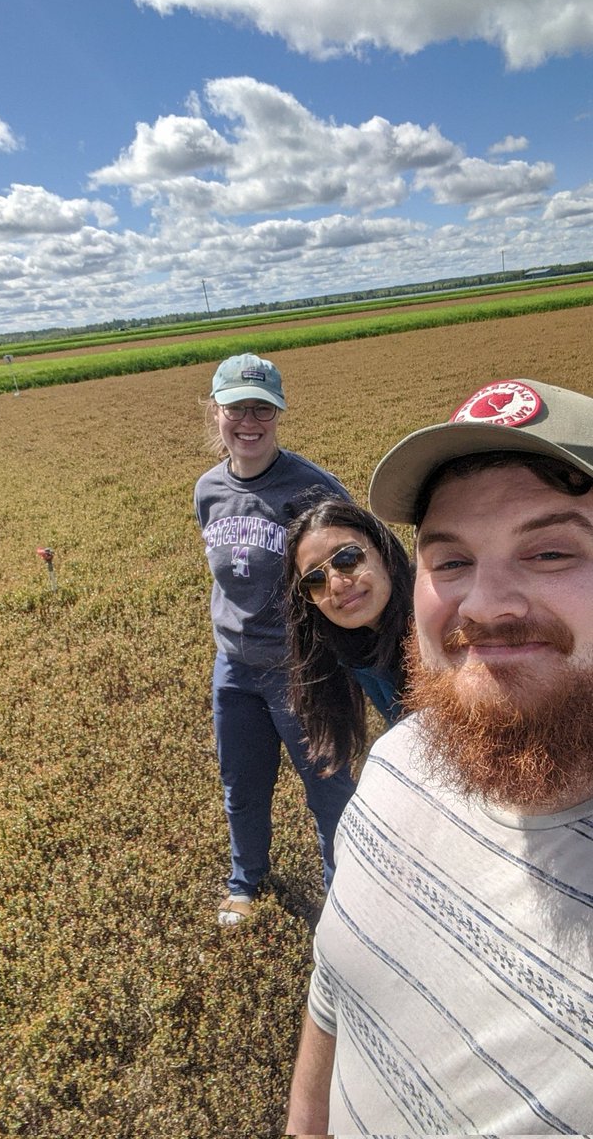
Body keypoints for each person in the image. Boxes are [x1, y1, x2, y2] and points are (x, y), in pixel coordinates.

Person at [286, 377, 593, 1135]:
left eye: (551, 550)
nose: (485, 605)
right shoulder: (398, 762)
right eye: (450, 561)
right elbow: (336, 982)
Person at [194, 352, 355, 926]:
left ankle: (344, 897)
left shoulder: (312, 488)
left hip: (303, 670)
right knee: (241, 786)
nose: (250, 421)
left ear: (278, 414)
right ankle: (245, 884)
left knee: (329, 789)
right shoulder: (208, 490)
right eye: (237, 407)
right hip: (233, 670)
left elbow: (359, 568)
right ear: (216, 412)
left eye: (263, 408)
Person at [284, 497, 413, 773]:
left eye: (348, 558)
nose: (337, 585)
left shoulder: (441, 624)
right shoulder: (355, 649)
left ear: (382, 550)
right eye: (315, 580)